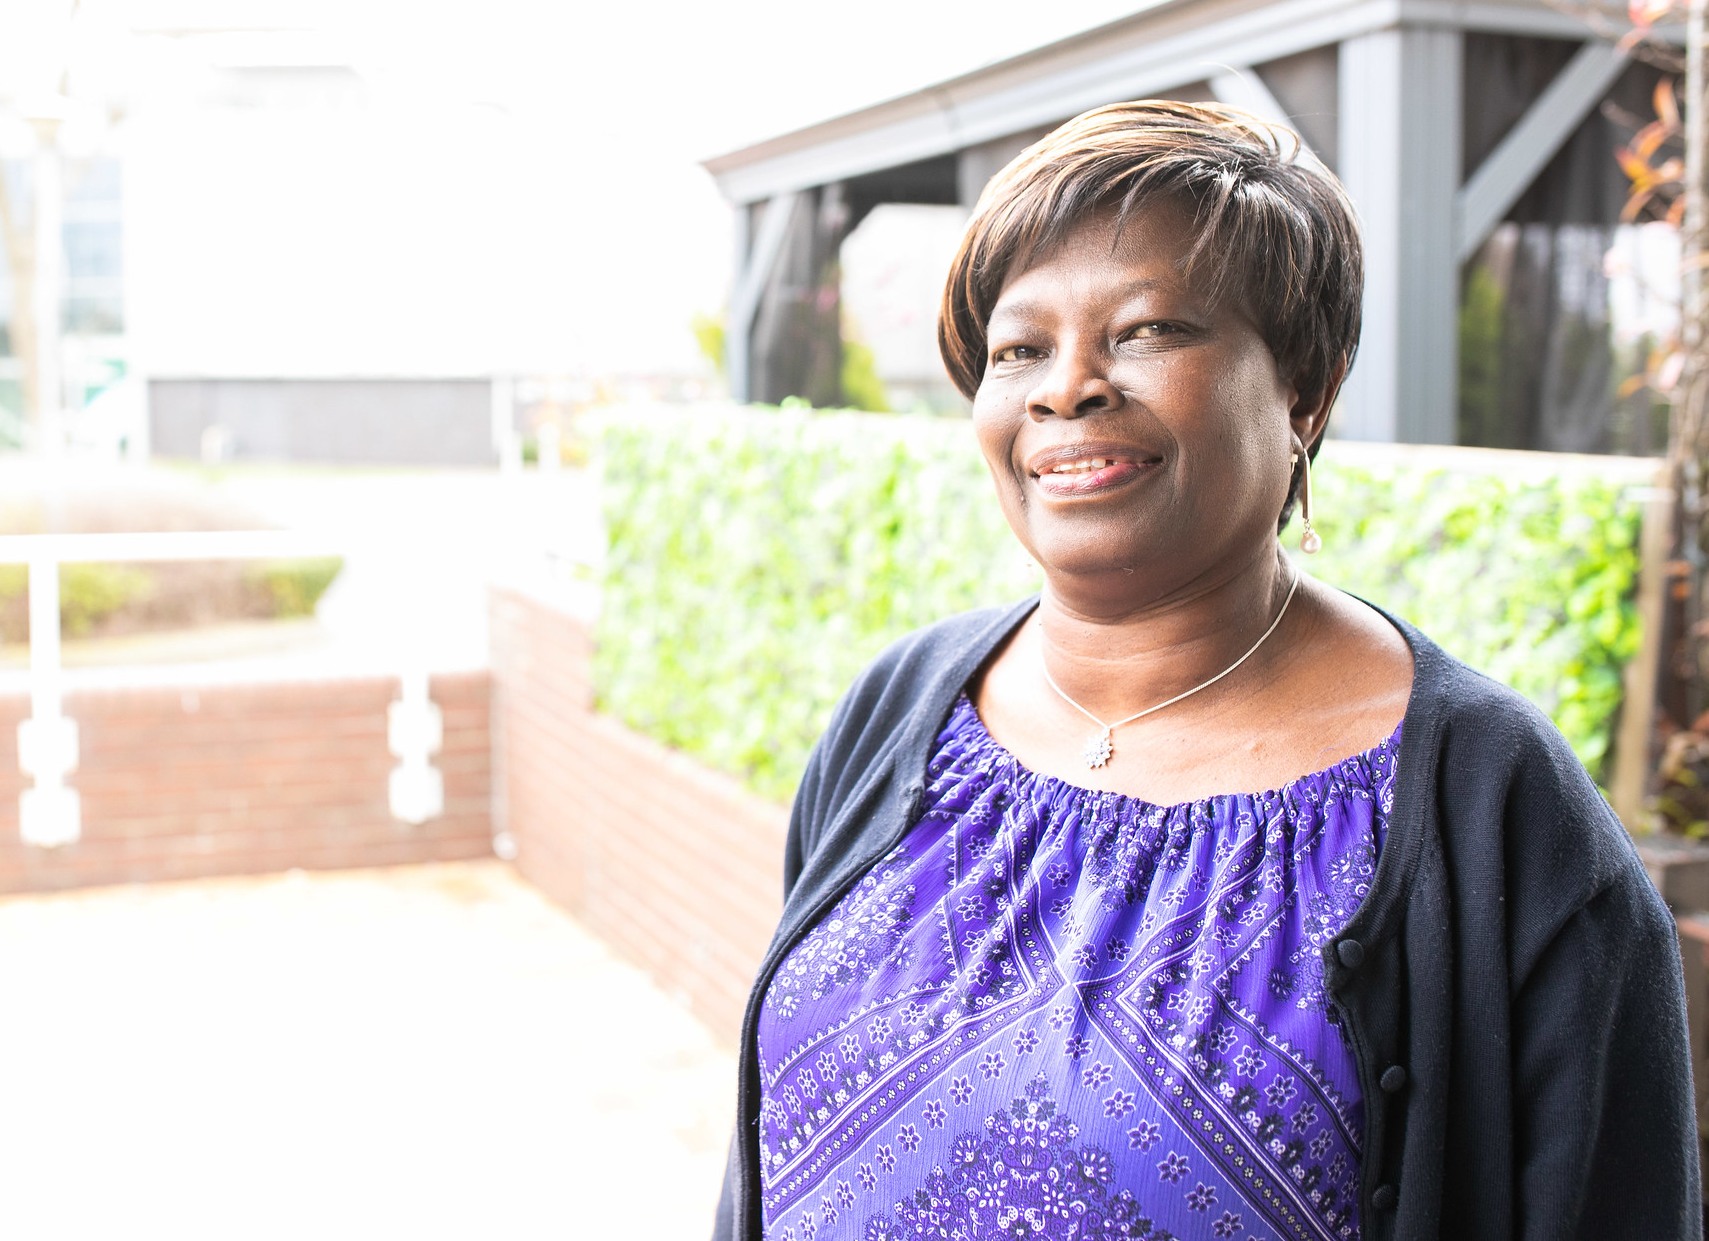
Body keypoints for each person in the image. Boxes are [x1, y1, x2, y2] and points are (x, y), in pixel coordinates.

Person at [712, 100, 1701, 1241]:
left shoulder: (1490, 809)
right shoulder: (900, 712)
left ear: (1305, 389)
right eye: (1018, 347)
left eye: (1145, 331)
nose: (1065, 386)